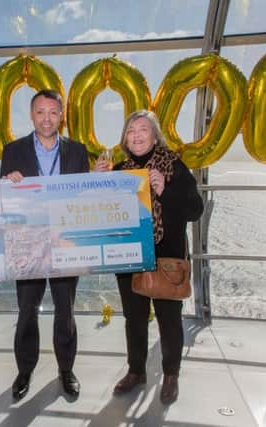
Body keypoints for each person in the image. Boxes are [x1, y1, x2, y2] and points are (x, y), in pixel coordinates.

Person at [93, 110, 203, 405]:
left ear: (155, 136)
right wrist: (96, 183)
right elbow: (100, 215)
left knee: (169, 320)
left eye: (143, 130)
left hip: (166, 259)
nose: (137, 135)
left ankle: (170, 375)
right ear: (124, 139)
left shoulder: (174, 166)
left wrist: (165, 190)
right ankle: (136, 371)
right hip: (129, 258)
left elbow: (195, 211)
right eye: (131, 131)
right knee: (134, 319)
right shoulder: (118, 171)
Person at [0, 89, 90, 400]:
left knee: (65, 310)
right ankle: (24, 370)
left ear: (61, 114)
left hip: (64, 242)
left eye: (53, 112)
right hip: (27, 246)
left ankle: (66, 370)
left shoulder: (78, 151)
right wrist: (7, 183)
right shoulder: (12, 150)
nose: (47, 118)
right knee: (27, 311)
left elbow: (84, 198)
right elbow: (3, 200)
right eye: (40, 112)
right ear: (31, 115)